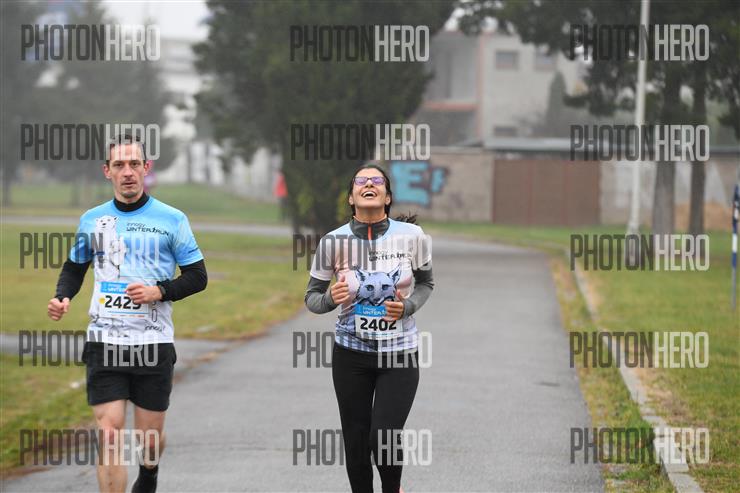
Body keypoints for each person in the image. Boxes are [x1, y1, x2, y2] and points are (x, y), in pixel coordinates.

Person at [47, 134, 207, 493]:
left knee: (149, 440)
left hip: (153, 342)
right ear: (107, 171)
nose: (128, 172)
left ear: (146, 168)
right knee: (109, 433)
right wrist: (62, 297)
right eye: (119, 165)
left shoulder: (172, 219)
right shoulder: (93, 220)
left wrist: (159, 291)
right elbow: (75, 267)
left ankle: (149, 473)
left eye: (135, 164)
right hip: (105, 340)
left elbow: (198, 276)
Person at [305, 164, 434, 493]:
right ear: (351, 197)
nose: (369, 184)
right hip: (351, 355)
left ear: (387, 196)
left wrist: (407, 306)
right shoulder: (333, 242)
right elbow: (312, 298)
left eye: (377, 181)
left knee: (384, 436)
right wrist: (330, 298)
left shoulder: (412, 237)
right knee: (357, 442)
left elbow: (426, 284)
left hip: (399, 354)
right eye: (361, 181)